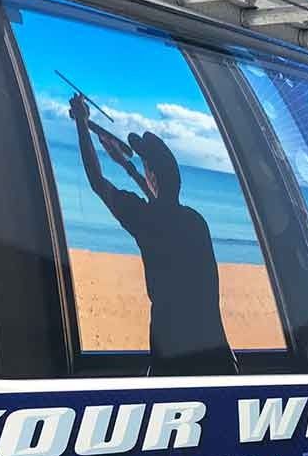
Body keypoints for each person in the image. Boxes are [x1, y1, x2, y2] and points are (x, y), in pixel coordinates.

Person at [70, 94, 235, 374]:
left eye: (146, 166)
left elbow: (98, 183)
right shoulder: (195, 221)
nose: (144, 172)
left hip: (174, 362)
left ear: (153, 176)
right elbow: (161, 203)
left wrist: (81, 124)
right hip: (219, 360)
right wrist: (128, 167)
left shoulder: (148, 220)